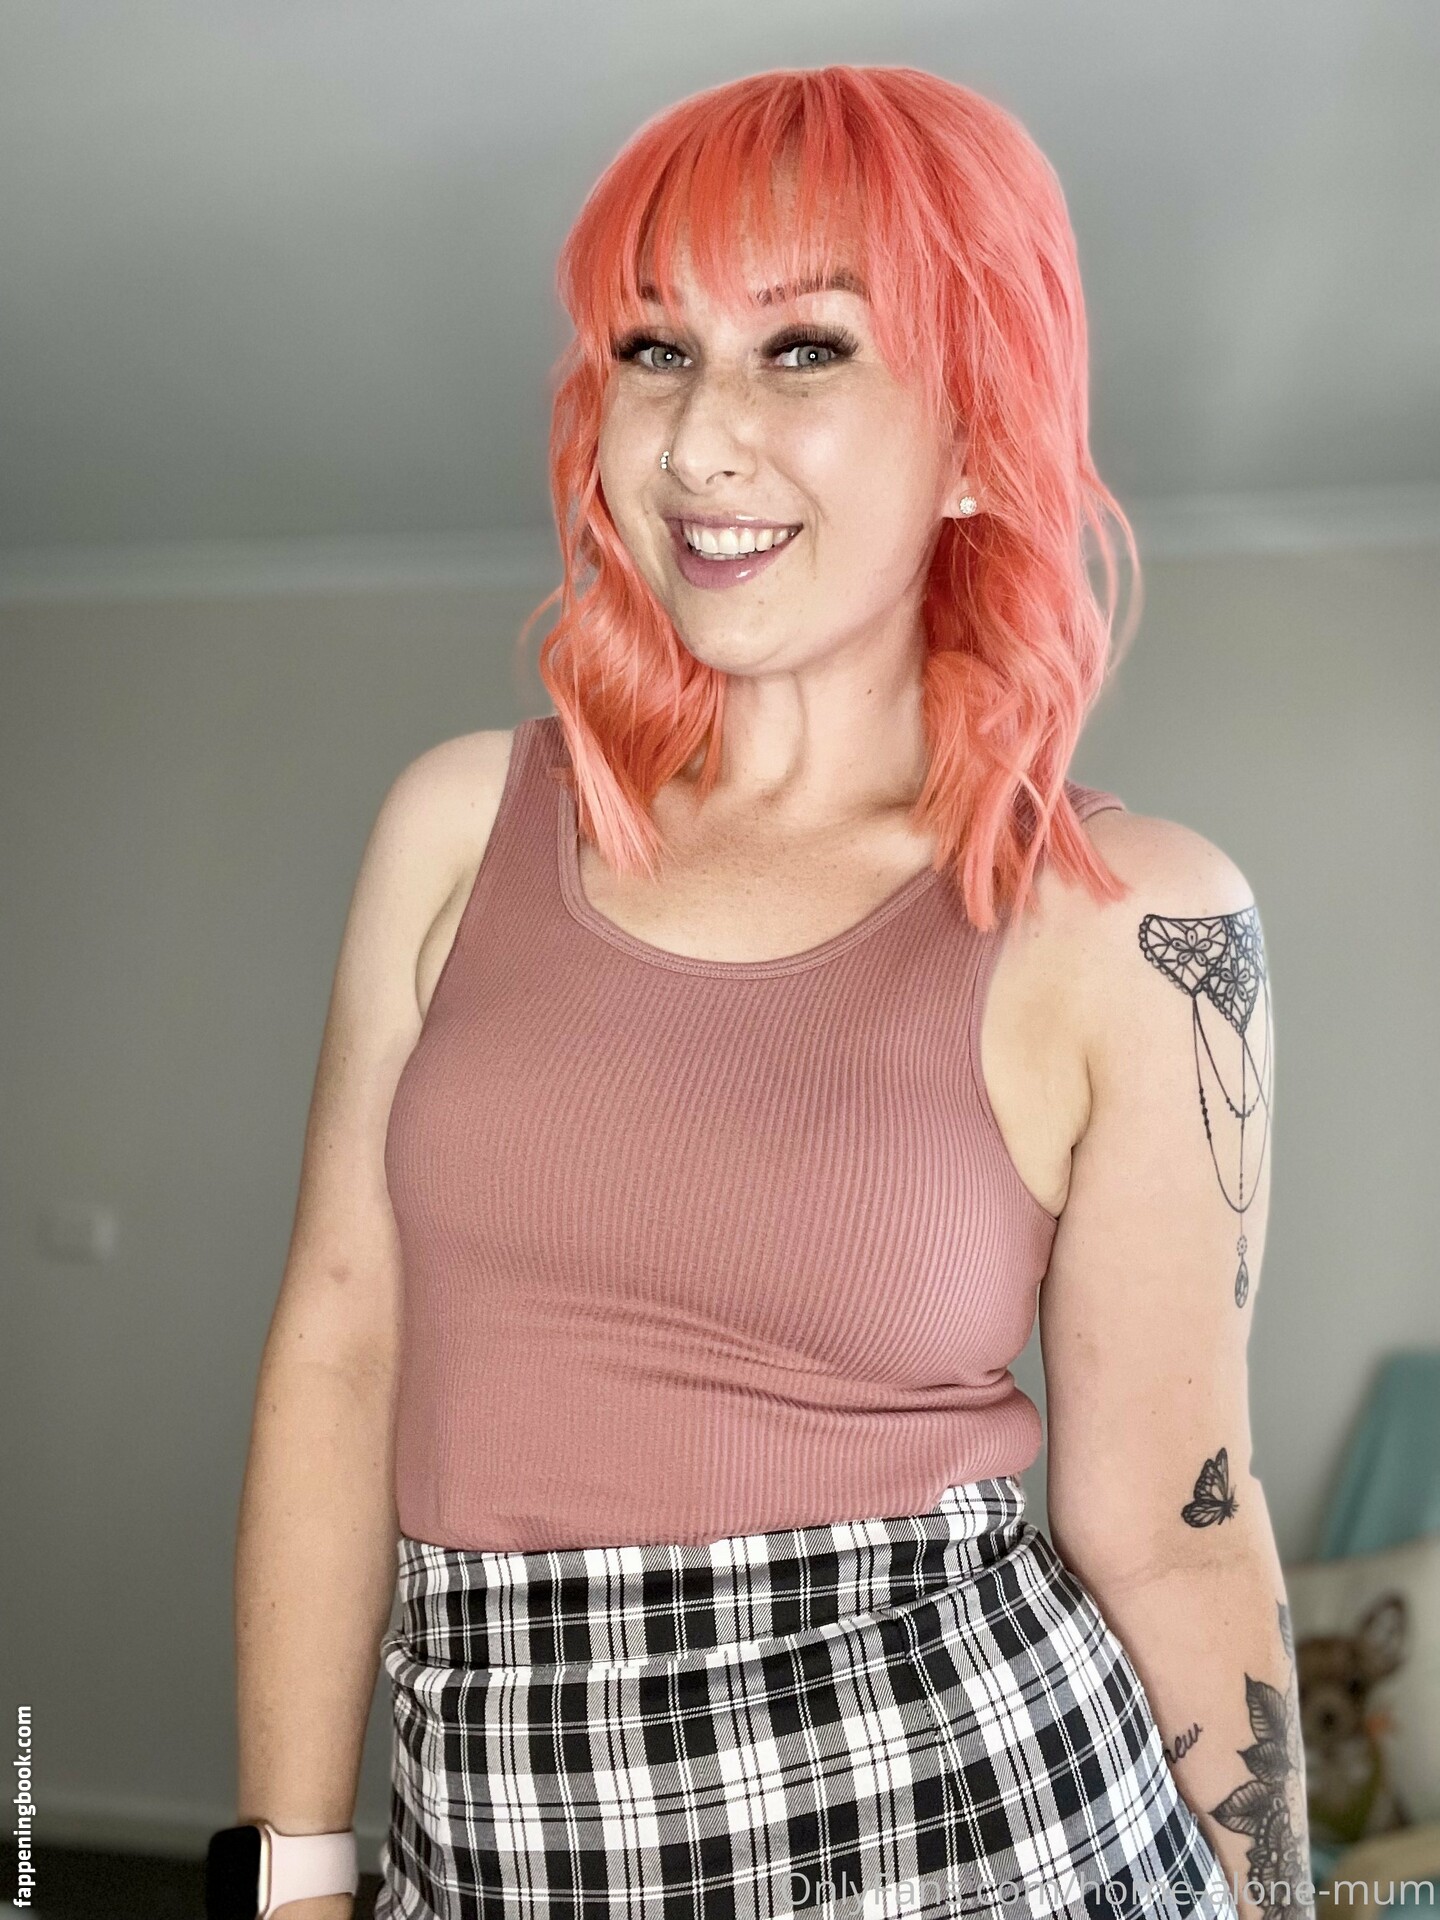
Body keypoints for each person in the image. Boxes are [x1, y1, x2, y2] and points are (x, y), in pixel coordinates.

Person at [219, 65, 1311, 1920]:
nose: (697, 439)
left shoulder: (1127, 923)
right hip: (490, 1835)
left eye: (806, 348)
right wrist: (292, 1872)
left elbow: (1176, 1531)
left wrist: (1282, 1903)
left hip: (974, 1835)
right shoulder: (463, 823)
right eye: (655, 350)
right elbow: (338, 1351)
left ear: (978, 437)